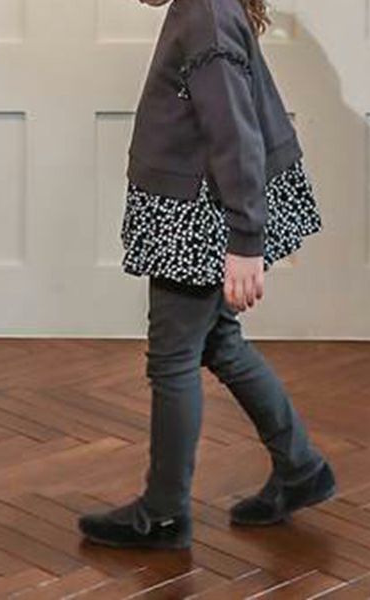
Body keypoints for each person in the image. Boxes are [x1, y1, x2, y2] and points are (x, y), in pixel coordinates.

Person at [78, 0, 337, 550]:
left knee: (173, 358)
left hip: (196, 212)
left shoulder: (205, 13)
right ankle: (300, 467)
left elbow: (235, 132)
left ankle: (163, 513)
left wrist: (245, 240)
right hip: (199, 204)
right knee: (219, 341)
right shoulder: (205, 8)